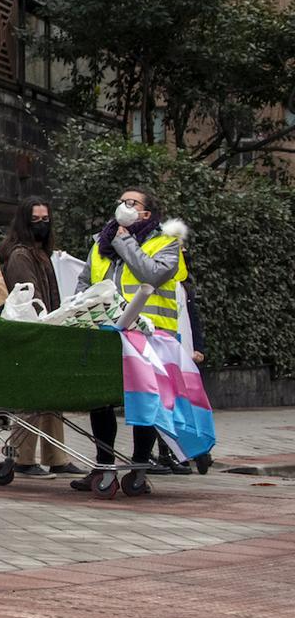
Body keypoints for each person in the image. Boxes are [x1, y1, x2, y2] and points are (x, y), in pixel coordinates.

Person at [73, 187, 187, 494]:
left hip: (148, 335)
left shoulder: (166, 243)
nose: (123, 205)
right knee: (100, 399)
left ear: (146, 214)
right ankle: (103, 464)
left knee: (144, 400)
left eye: (132, 202)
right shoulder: (100, 242)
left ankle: (138, 468)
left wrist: (122, 240)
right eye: (121, 201)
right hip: (104, 333)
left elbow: (150, 275)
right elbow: (84, 285)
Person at [0, 197, 75, 477]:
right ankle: (23, 458)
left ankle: (57, 457)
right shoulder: (21, 255)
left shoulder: (38, 252)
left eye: (46, 218)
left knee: (50, 396)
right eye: (36, 219)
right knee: (31, 397)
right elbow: (29, 298)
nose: (42, 224)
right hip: (31, 332)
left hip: (44, 330)